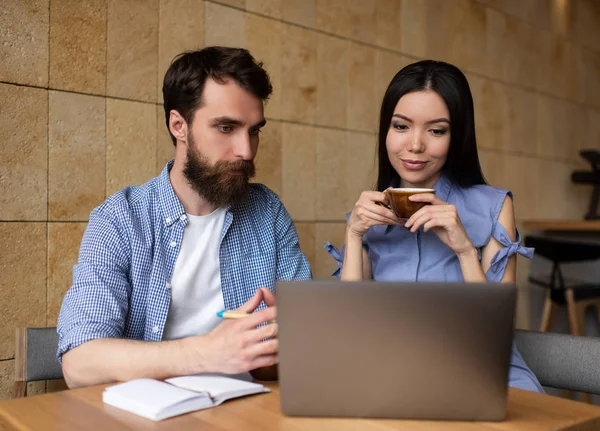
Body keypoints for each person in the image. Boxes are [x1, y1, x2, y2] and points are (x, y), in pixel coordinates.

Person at [57, 46, 311, 388]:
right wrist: (205, 353)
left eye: (254, 131)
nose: (246, 151)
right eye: (226, 128)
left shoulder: (267, 211)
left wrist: (282, 347)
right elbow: (79, 363)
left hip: (249, 411)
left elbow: (308, 342)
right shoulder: (120, 219)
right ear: (179, 125)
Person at [326, 60, 544, 393]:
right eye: (401, 126)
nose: (415, 145)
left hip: (485, 371)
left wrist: (465, 249)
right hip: (397, 374)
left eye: (436, 130)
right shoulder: (369, 215)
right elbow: (347, 328)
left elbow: (496, 333)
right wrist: (354, 236)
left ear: (457, 137)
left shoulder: (494, 206)